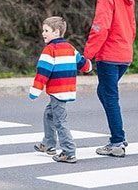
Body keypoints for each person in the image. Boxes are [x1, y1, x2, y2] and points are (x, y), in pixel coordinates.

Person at [83, 0, 136, 157]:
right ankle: (118, 137)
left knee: (110, 96)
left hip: (109, 54)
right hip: (124, 54)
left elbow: (100, 26)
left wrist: (87, 55)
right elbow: (132, 27)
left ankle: (117, 141)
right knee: (104, 92)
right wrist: (127, 47)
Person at [29, 16, 92, 163]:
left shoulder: (49, 50)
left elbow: (42, 72)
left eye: (46, 30)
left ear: (56, 32)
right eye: (43, 30)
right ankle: (49, 144)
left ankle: (69, 152)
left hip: (58, 91)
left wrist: (35, 90)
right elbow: (83, 63)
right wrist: (88, 66)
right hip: (67, 89)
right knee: (49, 114)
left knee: (60, 121)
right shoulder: (70, 48)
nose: (43, 33)